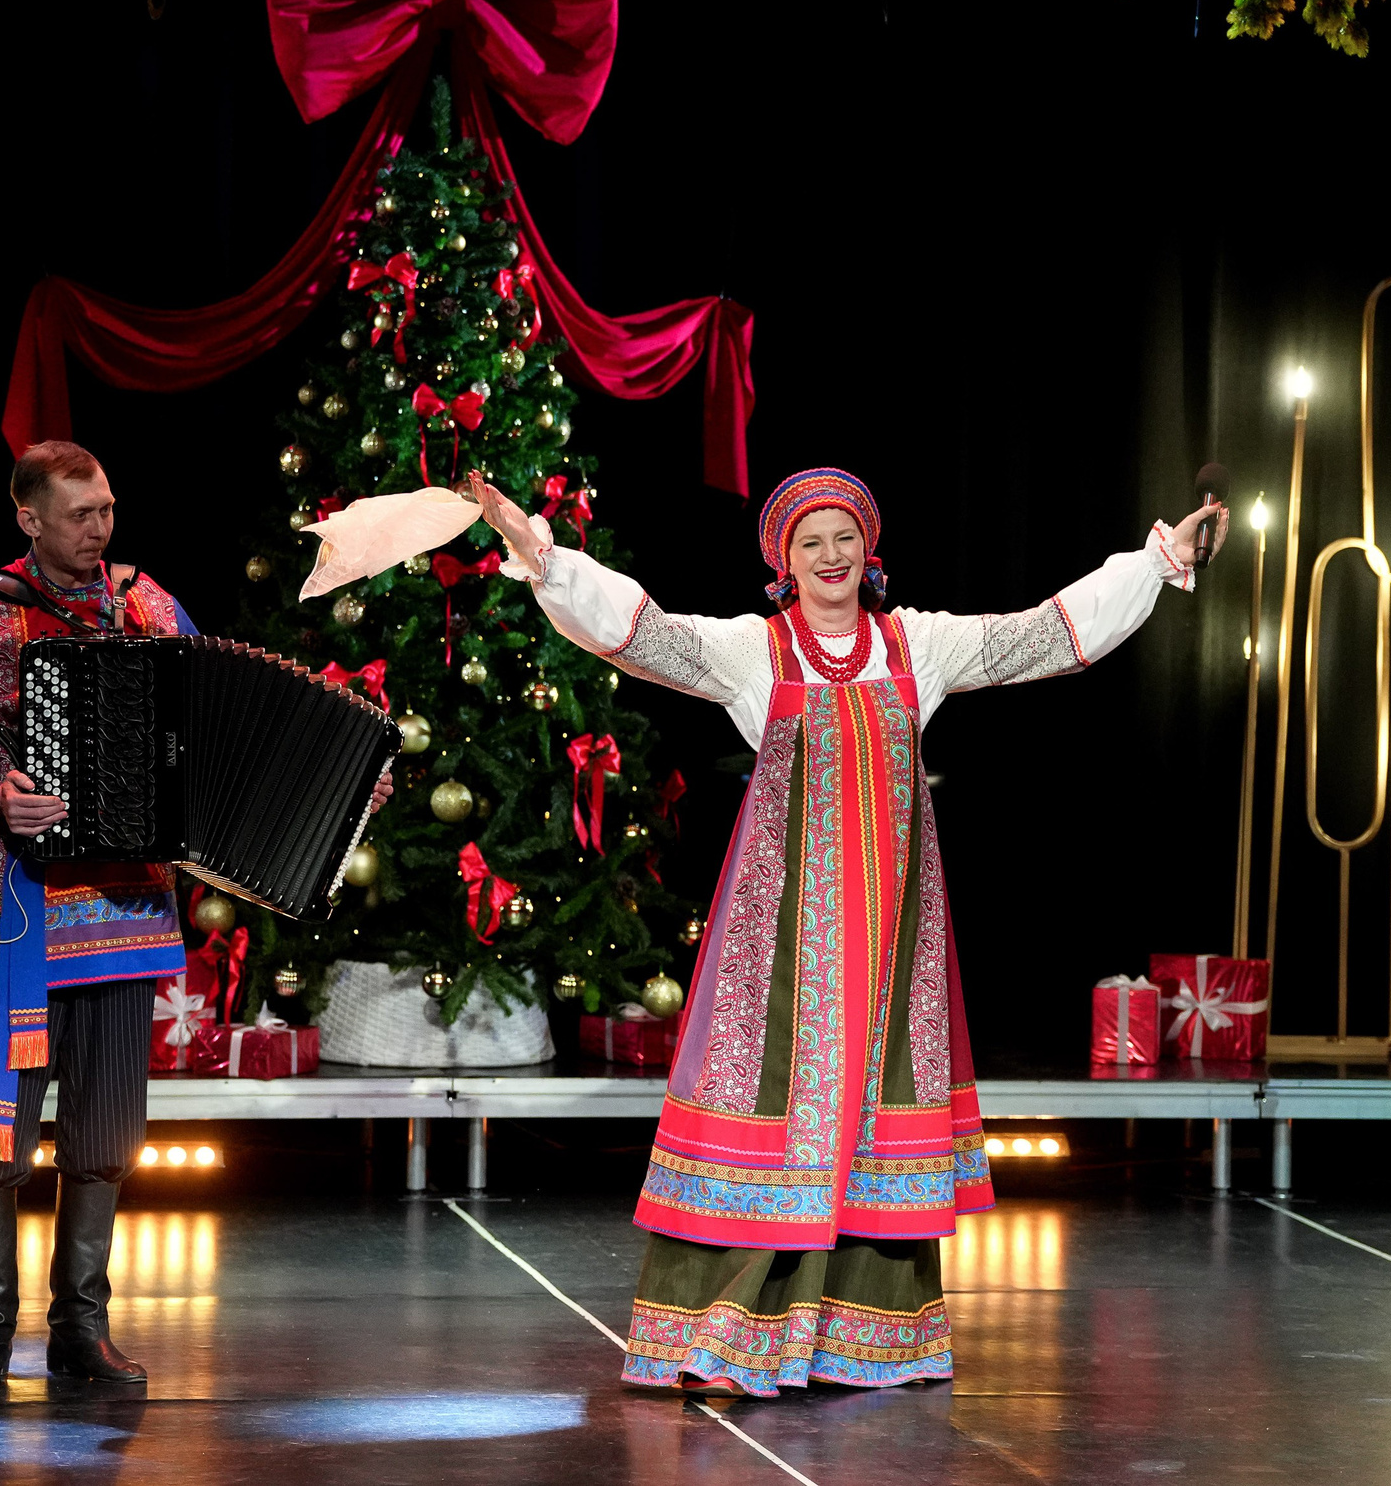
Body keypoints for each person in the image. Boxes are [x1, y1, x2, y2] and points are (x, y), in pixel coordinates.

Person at [469, 465, 1224, 1398]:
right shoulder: (756, 651)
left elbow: (1048, 633)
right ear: (783, 562)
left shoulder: (919, 646)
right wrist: (539, 554)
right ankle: (735, 1329)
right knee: (771, 1116)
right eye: (809, 542)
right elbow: (641, 632)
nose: (831, 556)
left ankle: (863, 1337)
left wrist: (1158, 561)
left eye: (844, 538)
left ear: (870, 550)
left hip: (892, 943)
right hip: (781, 944)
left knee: (875, 1123)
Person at [0, 440, 197, 1390]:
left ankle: (80, 1330)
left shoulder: (151, 607)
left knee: (106, 1131)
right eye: (80, 514)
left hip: (126, 909)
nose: (101, 530)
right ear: (28, 517)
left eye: (107, 509)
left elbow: (212, 727)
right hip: (18, 907)